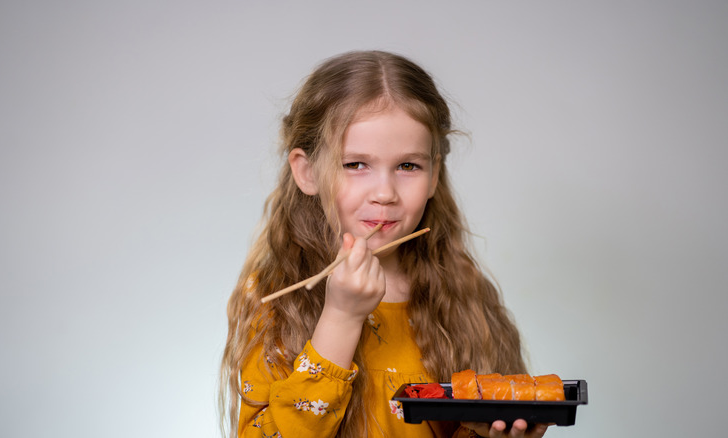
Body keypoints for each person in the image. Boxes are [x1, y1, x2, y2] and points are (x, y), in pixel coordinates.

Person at [219, 50, 548, 438]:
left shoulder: (461, 292)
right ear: (307, 172)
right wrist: (341, 318)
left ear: (433, 175)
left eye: (408, 165)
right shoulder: (275, 298)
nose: (385, 193)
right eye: (356, 164)